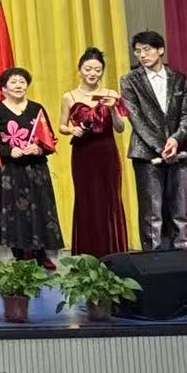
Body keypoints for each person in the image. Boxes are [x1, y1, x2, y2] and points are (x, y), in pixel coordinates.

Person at [118, 30, 187, 253]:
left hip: (178, 153)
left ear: (160, 50)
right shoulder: (129, 81)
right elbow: (136, 119)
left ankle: (180, 258)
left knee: (179, 211)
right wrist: (161, 147)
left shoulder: (179, 79)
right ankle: (152, 262)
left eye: (147, 49)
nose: (142, 55)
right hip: (146, 154)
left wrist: (175, 140)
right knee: (152, 213)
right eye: (138, 51)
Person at [0, 67, 63, 263]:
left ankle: (41, 254)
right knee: (14, 212)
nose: (18, 85)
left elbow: (49, 138)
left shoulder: (37, 109)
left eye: (22, 82)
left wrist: (39, 149)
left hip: (36, 169)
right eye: (13, 82)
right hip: (9, 171)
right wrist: (8, 151)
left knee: (40, 210)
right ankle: (19, 255)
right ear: (3, 88)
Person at [64, 47, 128, 257]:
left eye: (98, 70)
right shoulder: (69, 96)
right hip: (82, 153)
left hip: (107, 152)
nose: (93, 73)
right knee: (86, 199)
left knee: (110, 199)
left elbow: (120, 128)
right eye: (88, 69)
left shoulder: (112, 94)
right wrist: (71, 130)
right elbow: (62, 126)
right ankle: (86, 255)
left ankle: (113, 254)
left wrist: (113, 108)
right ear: (80, 70)